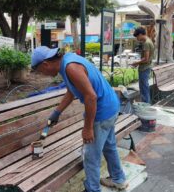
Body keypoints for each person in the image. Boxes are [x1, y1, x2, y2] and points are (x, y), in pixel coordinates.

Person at [31, 46, 128, 192]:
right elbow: (71, 91)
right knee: (109, 146)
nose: (42, 75)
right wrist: (57, 112)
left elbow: (91, 97)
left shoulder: (71, 68)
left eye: (40, 71)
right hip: (111, 107)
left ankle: (93, 189)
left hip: (101, 113)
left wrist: (88, 128)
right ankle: (118, 180)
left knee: (91, 156)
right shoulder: (67, 62)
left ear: (45, 64)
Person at [131, 27, 154, 104]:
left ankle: (145, 105)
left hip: (144, 68)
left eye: (137, 36)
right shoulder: (149, 41)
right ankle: (146, 104)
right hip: (147, 67)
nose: (137, 38)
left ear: (140, 34)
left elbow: (146, 58)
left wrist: (136, 63)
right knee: (145, 87)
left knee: (144, 88)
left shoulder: (146, 43)